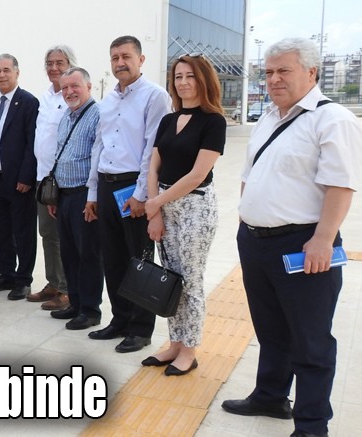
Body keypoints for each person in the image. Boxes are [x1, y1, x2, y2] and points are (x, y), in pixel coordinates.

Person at [222, 38, 362, 437]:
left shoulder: (331, 119)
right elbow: (250, 174)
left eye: (283, 70)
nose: (274, 79)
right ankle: (270, 396)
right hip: (256, 242)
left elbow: (341, 185)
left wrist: (324, 239)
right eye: (268, 72)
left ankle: (312, 425)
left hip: (303, 244)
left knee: (310, 340)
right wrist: (246, 221)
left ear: (311, 72)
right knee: (271, 329)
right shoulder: (269, 117)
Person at [86, 35, 170, 353]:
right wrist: (93, 193)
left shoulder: (155, 96)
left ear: (141, 59)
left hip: (134, 185)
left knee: (140, 259)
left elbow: (153, 149)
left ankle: (141, 328)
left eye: (126, 56)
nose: (120, 63)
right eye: (115, 58)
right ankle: (120, 319)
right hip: (107, 185)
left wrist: (141, 194)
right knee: (113, 258)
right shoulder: (108, 101)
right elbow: (99, 146)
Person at [142, 54, 225, 376]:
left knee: (190, 281)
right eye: (178, 76)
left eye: (190, 76)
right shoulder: (168, 120)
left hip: (195, 207)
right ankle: (175, 343)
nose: (183, 82)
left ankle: (189, 350)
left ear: (203, 80)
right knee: (171, 279)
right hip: (163, 205)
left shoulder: (213, 121)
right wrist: (155, 210)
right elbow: (153, 166)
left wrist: (156, 202)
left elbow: (197, 175)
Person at [45, 68, 103, 331]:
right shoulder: (66, 117)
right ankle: (75, 303)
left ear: (88, 86)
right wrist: (55, 195)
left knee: (88, 255)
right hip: (65, 195)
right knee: (68, 254)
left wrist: (93, 197)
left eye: (75, 86)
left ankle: (90, 310)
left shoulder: (97, 115)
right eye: (65, 87)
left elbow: (98, 159)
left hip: (84, 196)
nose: (69, 92)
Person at [0, 54, 39, 301]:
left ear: (17, 72)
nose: (2, 75)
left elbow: (32, 142)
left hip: (18, 180)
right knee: (0, 230)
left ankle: (23, 280)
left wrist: (26, 176)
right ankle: (5, 275)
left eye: (6, 70)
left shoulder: (28, 102)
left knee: (23, 232)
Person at [29, 45, 76, 311]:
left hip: (63, 181)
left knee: (63, 236)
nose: (54, 68)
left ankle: (68, 289)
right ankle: (54, 283)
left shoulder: (72, 97)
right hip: (43, 178)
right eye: (50, 63)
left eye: (60, 63)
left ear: (70, 65)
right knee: (47, 233)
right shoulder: (45, 97)